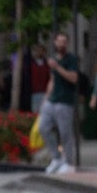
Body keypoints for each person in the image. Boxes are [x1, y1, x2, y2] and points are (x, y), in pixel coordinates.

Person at [36, 32, 82, 174]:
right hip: (52, 100)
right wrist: (45, 99)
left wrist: (58, 68)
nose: (61, 44)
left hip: (65, 102)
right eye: (59, 41)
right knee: (43, 127)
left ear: (67, 44)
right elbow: (52, 80)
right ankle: (56, 157)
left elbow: (73, 78)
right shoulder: (53, 59)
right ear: (55, 43)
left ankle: (68, 162)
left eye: (64, 41)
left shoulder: (71, 59)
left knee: (65, 133)